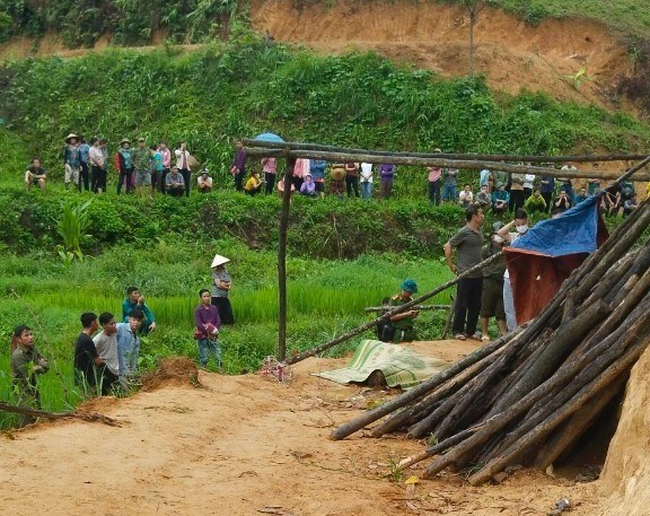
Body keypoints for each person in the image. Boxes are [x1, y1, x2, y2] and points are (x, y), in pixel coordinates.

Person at [444, 204, 485, 340]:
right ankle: (457, 330)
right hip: (465, 273)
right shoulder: (463, 232)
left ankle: (471, 330)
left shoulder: (479, 232)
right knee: (462, 303)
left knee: (475, 304)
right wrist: (451, 265)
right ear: (474, 217)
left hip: (478, 273)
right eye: (481, 214)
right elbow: (448, 246)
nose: (483, 216)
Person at [11, 325, 49, 427]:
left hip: (34, 389)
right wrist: (39, 366)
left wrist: (37, 367)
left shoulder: (33, 350)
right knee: (26, 422)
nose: (30, 337)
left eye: (31, 334)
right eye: (26, 335)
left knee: (37, 420)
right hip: (22, 392)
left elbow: (47, 365)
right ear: (19, 339)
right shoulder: (18, 355)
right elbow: (27, 374)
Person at [497, 209, 530, 331]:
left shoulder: (532, 235)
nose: (520, 227)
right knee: (509, 307)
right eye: (518, 225)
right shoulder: (514, 237)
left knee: (524, 304)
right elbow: (500, 233)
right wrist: (513, 222)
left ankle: (523, 330)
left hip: (525, 276)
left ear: (527, 221)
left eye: (522, 224)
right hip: (509, 276)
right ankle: (512, 332)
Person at [479, 223, 508, 341]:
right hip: (489, 280)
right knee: (486, 306)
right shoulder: (486, 249)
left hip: (503, 280)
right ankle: (484, 333)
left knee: (501, 308)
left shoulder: (507, 247)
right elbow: (480, 263)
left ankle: (503, 332)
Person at [73, 312, 104, 394]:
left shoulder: (82, 337)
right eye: (96, 322)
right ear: (93, 323)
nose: (98, 324)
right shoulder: (87, 340)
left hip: (82, 375)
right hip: (87, 377)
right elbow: (97, 361)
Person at [93, 312, 121, 394]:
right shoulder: (98, 339)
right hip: (105, 369)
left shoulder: (115, 333)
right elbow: (91, 353)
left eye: (114, 323)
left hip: (116, 368)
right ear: (104, 325)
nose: (114, 325)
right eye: (111, 324)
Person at [194, 289, 222, 367]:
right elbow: (199, 324)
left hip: (214, 336)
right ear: (201, 298)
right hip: (203, 336)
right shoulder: (198, 310)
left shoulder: (214, 308)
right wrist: (208, 333)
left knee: (217, 356)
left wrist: (214, 331)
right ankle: (203, 371)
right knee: (204, 357)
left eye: (208, 296)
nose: (207, 298)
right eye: (204, 296)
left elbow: (218, 321)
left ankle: (220, 371)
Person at [116, 308, 144, 380]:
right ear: (129, 319)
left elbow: (134, 358)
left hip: (125, 372)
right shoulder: (120, 327)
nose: (136, 323)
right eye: (134, 320)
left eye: (138, 321)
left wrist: (134, 372)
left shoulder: (136, 339)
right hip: (115, 369)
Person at [211, 254, 235, 325]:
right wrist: (226, 286)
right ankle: (216, 328)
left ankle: (230, 327)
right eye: (224, 264)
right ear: (220, 264)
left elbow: (230, 282)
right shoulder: (215, 274)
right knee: (217, 312)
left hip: (224, 296)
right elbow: (218, 285)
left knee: (228, 311)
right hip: (216, 296)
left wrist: (224, 284)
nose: (225, 265)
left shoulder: (226, 273)